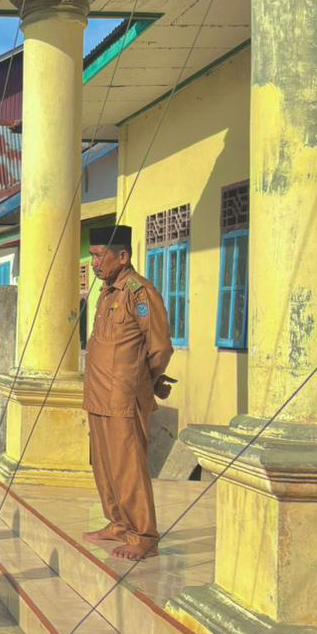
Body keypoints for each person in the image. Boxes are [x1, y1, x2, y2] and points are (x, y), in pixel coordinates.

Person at [83, 225, 175, 561]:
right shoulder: (107, 292)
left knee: (128, 466)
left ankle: (144, 534)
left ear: (122, 256)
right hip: (98, 393)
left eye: (99, 256)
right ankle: (119, 523)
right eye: (92, 256)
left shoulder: (140, 292)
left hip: (123, 395)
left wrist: (146, 380)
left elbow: (159, 347)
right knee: (104, 463)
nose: (94, 263)